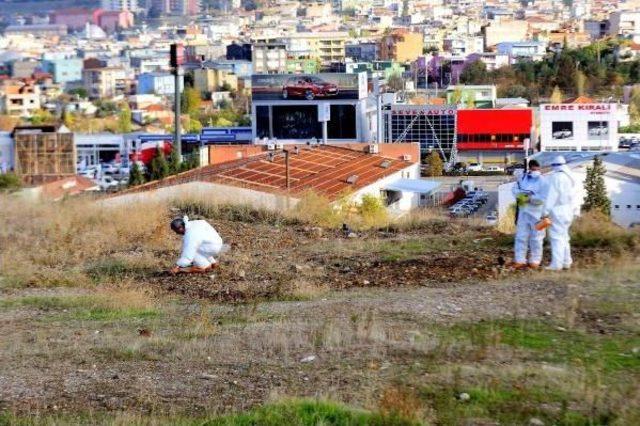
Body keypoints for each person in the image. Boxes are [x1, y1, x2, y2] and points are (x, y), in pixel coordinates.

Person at [542, 155, 579, 271]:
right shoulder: (570, 177)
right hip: (568, 210)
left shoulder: (556, 177)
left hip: (558, 210)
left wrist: (545, 211)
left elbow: (551, 196)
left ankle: (557, 264)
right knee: (564, 236)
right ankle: (566, 261)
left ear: (555, 166)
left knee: (556, 238)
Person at [511, 159, 547, 269]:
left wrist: (531, 198)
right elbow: (515, 190)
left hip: (537, 214)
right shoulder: (523, 178)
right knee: (521, 236)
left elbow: (544, 197)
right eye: (532, 169)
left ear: (539, 168)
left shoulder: (543, 181)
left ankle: (535, 261)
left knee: (537, 238)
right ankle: (520, 260)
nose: (534, 170)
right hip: (523, 212)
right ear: (530, 168)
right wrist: (522, 196)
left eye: (536, 169)